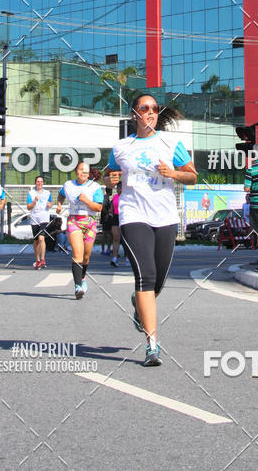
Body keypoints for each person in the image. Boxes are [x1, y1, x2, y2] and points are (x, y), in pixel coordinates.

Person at [106, 94, 196, 367]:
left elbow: (192, 176)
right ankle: (152, 346)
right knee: (145, 277)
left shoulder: (171, 143)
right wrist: (110, 180)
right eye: (144, 108)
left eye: (154, 109)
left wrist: (173, 173)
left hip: (165, 216)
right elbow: (109, 175)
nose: (150, 112)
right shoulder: (121, 147)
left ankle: (139, 303)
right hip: (133, 215)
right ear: (134, 114)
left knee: (157, 282)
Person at [56, 161, 103, 299]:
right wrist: (59, 205)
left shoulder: (94, 187)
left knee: (86, 257)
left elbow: (98, 208)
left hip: (89, 222)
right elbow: (61, 194)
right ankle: (78, 287)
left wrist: (86, 200)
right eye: (81, 169)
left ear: (89, 174)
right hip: (74, 221)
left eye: (86, 170)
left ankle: (82, 277)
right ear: (76, 171)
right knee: (77, 254)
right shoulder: (68, 185)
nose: (83, 172)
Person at [27, 174, 53, 269]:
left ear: (43, 183)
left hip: (44, 218)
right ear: (35, 183)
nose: (40, 183)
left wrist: (50, 204)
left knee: (41, 238)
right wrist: (34, 201)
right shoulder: (31, 193)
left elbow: (51, 202)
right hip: (34, 218)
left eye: (41, 182)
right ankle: (37, 260)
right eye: (38, 181)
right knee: (36, 240)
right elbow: (28, 207)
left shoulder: (47, 193)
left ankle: (43, 259)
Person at [110, 182, 122, 267]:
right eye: (118, 188)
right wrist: (110, 211)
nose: (119, 190)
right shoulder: (115, 197)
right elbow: (112, 208)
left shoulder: (127, 197)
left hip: (124, 217)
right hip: (115, 217)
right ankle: (114, 258)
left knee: (125, 239)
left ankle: (128, 257)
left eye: (120, 188)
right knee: (116, 238)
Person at [100, 188, 114, 255]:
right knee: (108, 234)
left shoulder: (106, 198)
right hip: (106, 218)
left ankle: (105, 249)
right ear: (110, 191)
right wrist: (107, 213)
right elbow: (102, 207)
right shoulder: (105, 198)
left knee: (107, 234)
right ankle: (106, 250)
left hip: (105, 218)